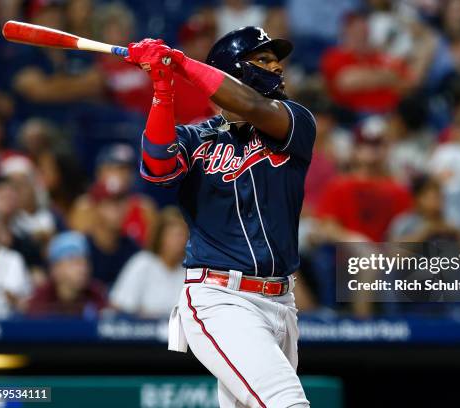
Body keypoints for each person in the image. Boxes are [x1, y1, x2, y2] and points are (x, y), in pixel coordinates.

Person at [125, 26, 315, 407]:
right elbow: (158, 166)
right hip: (220, 298)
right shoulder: (196, 139)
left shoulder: (295, 120)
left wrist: (182, 63)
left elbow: (255, 108)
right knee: (286, 401)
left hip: (282, 301)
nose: (277, 66)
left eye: (276, 59)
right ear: (232, 71)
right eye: (263, 59)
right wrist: (163, 91)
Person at [315, 116, 413, 242]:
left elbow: (406, 228)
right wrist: (352, 240)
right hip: (345, 255)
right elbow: (326, 225)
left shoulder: (398, 189)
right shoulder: (339, 185)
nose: (370, 149)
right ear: (355, 148)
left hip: (386, 256)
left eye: (376, 144)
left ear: (387, 148)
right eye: (364, 143)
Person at [321, 11, 414, 114]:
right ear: (345, 32)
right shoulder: (335, 55)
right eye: (356, 32)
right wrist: (388, 76)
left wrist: (368, 77)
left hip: (392, 112)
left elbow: (408, 83)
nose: (361, 36)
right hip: (354, 114)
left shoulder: (380, 57)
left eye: (365, 32)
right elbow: (346, 82)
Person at [110, 207, 188, 318]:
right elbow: (118, 305)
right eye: (176, 235)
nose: (181, 241)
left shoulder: (190, 270)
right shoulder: (143, 262)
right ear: (161, 236)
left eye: (185, 235)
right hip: (139, 333)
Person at [27, 231, 107, 317]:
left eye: (85, 262)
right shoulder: (40, 301)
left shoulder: (96, 295)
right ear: (55, 268)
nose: (83, 269)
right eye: (74, 262)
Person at [84, 181, 140, 286]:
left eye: (121, 202)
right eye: (110, 203)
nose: (119, 209)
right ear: (96, 208)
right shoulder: (83, 248)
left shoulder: (133, 250)